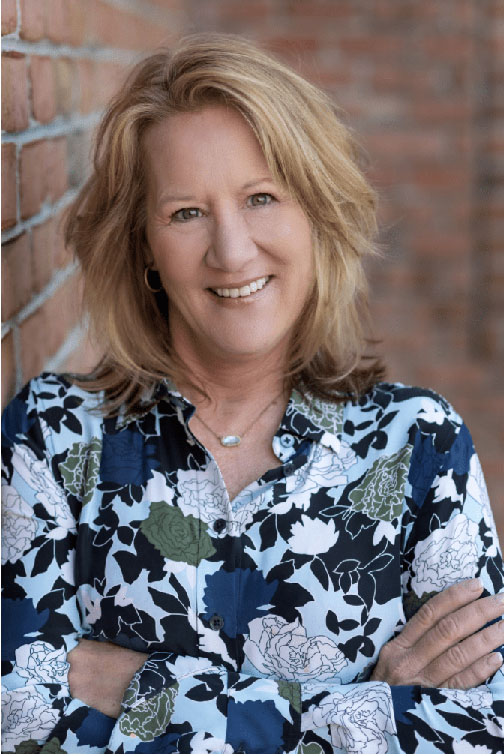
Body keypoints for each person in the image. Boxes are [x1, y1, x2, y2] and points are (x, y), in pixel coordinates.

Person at [2, 33, 503, 754]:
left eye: (261, 197)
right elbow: (18, 724)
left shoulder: (420, 446)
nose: (232, 251)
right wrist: (362, 707)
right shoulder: (52, 439)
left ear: (315, 213)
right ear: (144, 244)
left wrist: (139, 689)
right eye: (186, 213)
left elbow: (480, 732)